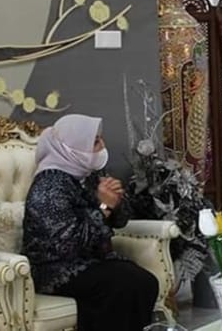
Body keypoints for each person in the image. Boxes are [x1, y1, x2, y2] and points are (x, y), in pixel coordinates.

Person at [21, 114, 158, 330]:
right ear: (72, 149)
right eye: (95, 142)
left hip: (92, 261)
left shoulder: (88, 174)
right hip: (55, 269)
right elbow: (69, 244)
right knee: (126, 284)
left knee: (144, 282)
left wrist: (116, 201)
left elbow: (121, 221)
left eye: (100, 139)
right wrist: (105, 206)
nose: (102, 146)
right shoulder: (48, 187)